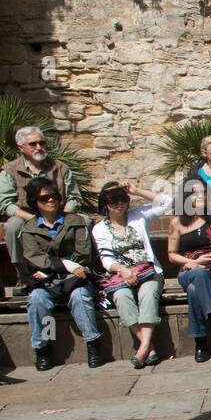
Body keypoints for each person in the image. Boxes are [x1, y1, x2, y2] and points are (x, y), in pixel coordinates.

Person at [19, 176, 104, 371]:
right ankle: (42, 348)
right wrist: (65, 263)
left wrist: (55, 266)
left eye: (54, 196)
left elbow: (83, 254)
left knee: (80, 297)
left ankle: (93, 344)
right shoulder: (29, 229)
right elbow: (34, 258)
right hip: (46, 282)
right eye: (44, 198)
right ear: (35, 203)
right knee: (37, 299)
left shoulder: (76, 222)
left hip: (74, 279)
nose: (51, 200)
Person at [92, 181, 171, 369]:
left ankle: (142, 348)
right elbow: (106, 260)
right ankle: (149, 347)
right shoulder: (100, 229)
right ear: (104, 204)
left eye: (123, 199)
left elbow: (167, 201)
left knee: (147, 294)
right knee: (121, 296)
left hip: (149, 272)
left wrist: (137, 190)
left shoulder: (138, 216)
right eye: (113, 200)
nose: (119, 204)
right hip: (121, 275)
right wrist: (122, 269)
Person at [2, 125, 84, 289]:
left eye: (42, 143)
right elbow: (4, 203)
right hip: (27, 216)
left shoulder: (60, 168)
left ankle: (75, 269)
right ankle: (22, 275)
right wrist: (33, 219)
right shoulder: (10, 170)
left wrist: (63, 216)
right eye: (33, 144)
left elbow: (75, 197)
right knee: (12, 226)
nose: (39, 147)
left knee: (85, 221)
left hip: (58, 213)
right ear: (21, 148)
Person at [168, 180, 211, 363]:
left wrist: (209, 263)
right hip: (188, 271)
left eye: (203, 193)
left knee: (194, 289)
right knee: (197, 275)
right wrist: (194, 262)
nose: (200, 197)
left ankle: (201, 342)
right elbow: (172, 255)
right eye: (194, 193)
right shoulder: (177, 222)